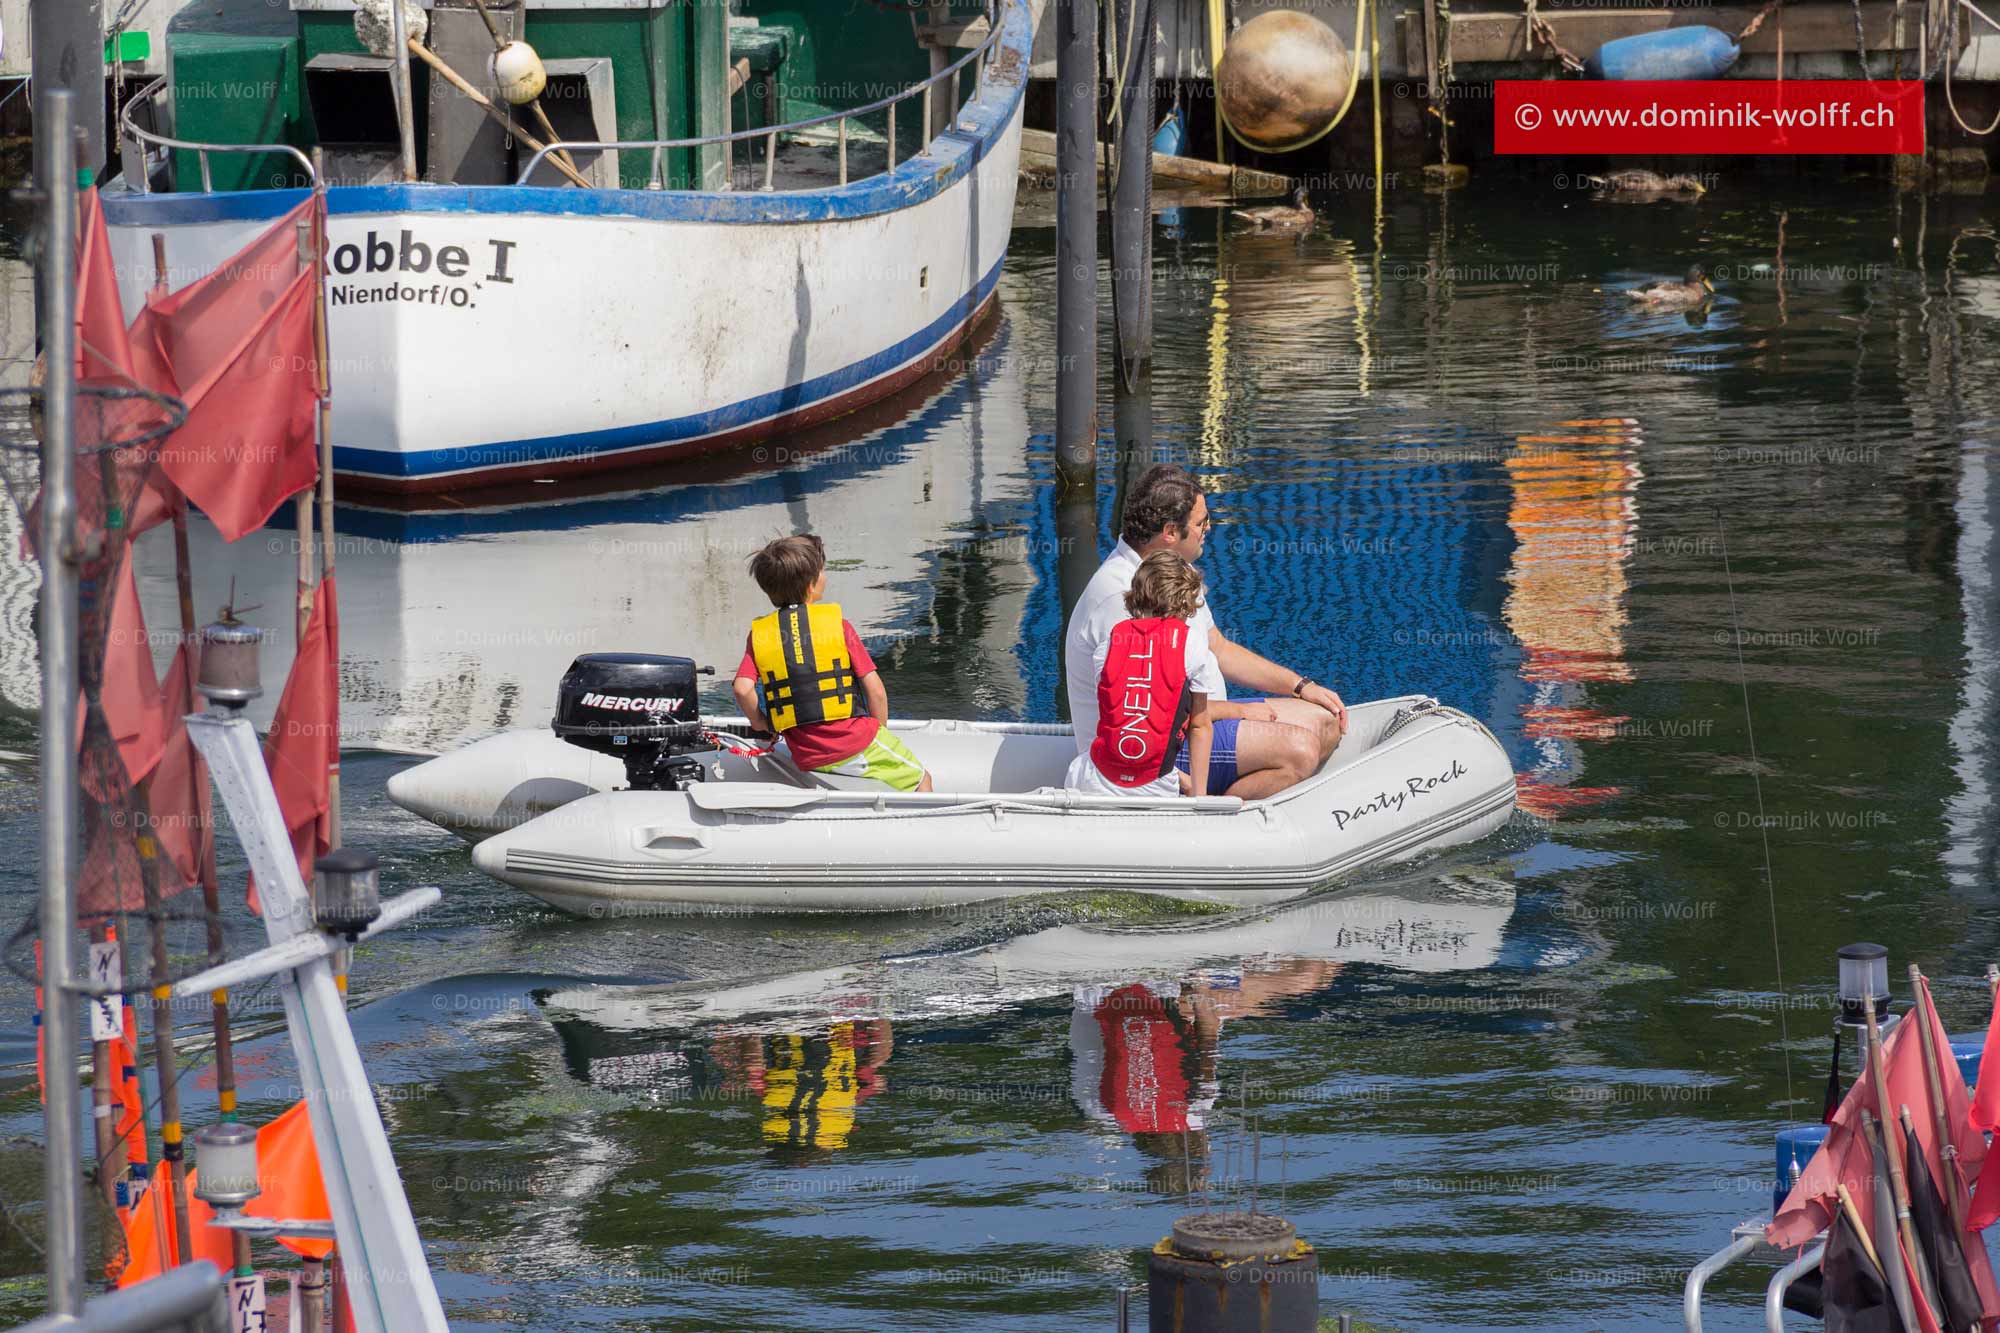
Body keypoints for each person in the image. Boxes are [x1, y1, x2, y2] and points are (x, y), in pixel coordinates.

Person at [1063, 464, 1346, 800]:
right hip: (1155, 748)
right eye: (1200, 522)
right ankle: (1215, 822)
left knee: (1325, 722)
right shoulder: (1121, 597)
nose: (1209, 527)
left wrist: (1300, 686)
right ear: (1170, 531)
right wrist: (1239, 712)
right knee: (1299, 749)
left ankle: (1238, 792)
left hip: (1203, 718)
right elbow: (1141, 711)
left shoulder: (1172, 570)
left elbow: (1218, 647)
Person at [733, 534, 932, 792]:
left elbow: (742, 688)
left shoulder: (760, 635)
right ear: (811, 586)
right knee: (922, 779)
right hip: (853, 742)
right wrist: (878, 735)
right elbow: (876, 692)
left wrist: (760, 722)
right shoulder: (838, 627)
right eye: (822, 571)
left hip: (805, 753)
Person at [1066, 551, 1218, 798]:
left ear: (1135, 595)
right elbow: (1200, 725)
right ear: (1187, 603)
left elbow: (1115, 716)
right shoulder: (1192, 643)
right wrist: (1199, 798)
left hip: (1093, 779)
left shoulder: (1110, 642)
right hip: (1155, 788)